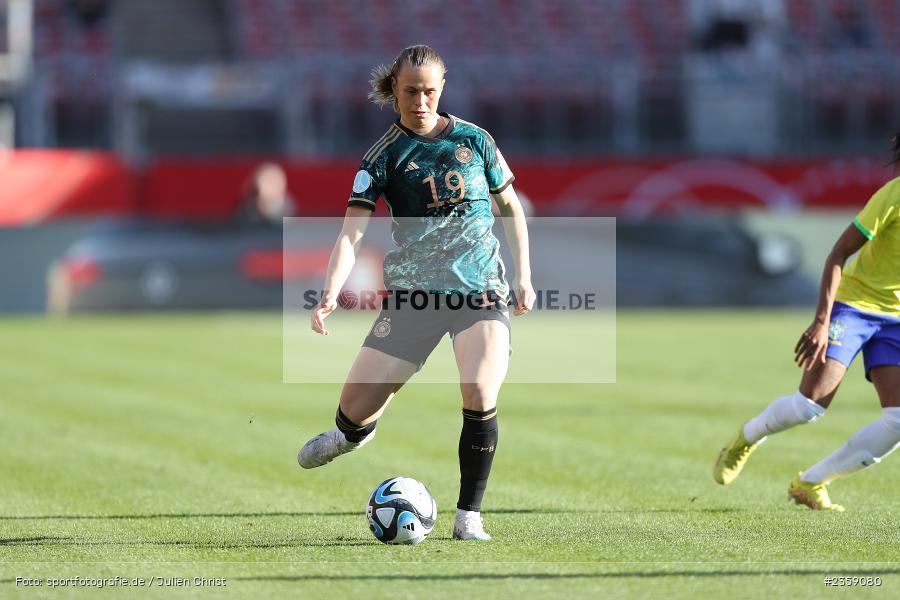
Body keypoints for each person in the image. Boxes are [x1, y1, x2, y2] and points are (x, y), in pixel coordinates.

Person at [297, 45, 535, 540]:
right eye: (411, 92)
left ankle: (468, 516)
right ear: (394, 92)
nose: (421, 101)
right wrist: (329, 293)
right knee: (354, 410)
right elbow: (351, 233)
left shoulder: (476, 141)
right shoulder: (383, 156)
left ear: (442, 87)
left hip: (479, 291)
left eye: (429, 91)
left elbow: (510, 207)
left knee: (479, 389)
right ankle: (350, 436)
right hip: (414, 298)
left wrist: (523, 275)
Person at [713, 131, 900, 510]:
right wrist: (821, 321)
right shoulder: (893, 195)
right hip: (855, 306)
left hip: (896, 321)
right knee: (808, 408)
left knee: (898, 419)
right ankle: (745, 439)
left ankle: (811, 482)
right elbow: (838, 253)